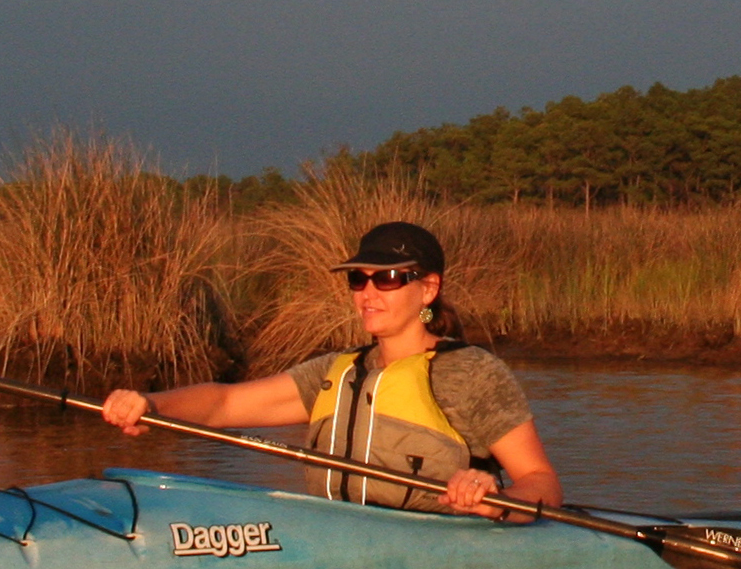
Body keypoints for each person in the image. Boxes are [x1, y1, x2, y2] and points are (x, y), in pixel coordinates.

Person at [99, 221, 563, 520]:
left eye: (388, 278)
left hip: (443, 549)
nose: (367, 292)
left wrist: (493, 497)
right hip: (339, 537)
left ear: (428, 289)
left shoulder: (472, 373)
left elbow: (542, 484)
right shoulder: (334, 372)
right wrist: (151, 404)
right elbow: (224, 403)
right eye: (357, 279)